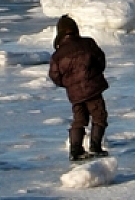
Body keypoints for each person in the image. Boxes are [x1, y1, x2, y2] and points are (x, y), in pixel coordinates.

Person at [48, 14, 109, 161]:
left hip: (75, 93)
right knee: (99, 116)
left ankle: (75, 150)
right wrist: (94, 75)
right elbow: (101, 60)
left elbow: (55, 76)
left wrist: (69, 84)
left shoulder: (57, 55)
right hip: (93, 89)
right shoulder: (87, 43)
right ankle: (95, 146)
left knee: (79, 119)